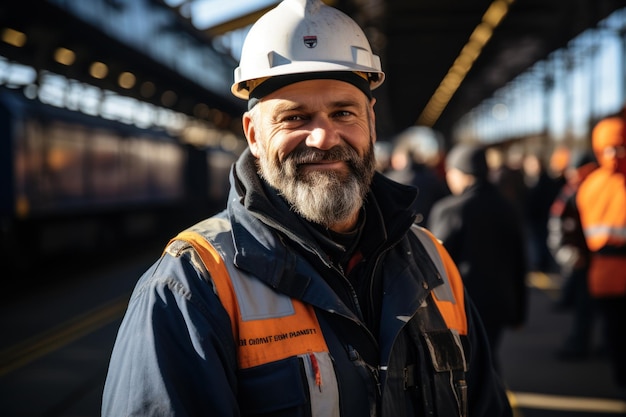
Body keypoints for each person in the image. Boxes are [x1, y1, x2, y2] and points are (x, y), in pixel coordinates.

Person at [102, 1, 513, 415]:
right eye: (295, 117)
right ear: (254, 136)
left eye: (343, 112)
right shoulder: (191, 288)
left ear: (371, 122)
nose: (323, 137)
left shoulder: (433, 263)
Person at [427, 144, 528, 372]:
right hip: (499, 304)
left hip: (462, 305)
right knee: (488, 358)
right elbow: (519, 262)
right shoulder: (508, 207)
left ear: (461, 173)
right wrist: (520, 311)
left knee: (467, 367)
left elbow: (433, 264)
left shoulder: (449, 210)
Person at [575, 115, 626, 395]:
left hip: (602, 274)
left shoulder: (590, 185)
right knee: (616, 333)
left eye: (620, 147)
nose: (615, 154)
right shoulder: (595, 185)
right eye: (611, 148)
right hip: (606, 273)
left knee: (615, 332)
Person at [547, 151, 599, 360]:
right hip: (587, 258)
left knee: (591, 305)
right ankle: (581, 343)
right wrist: (568, 254)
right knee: (586, 303)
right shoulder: (577, 190)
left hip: (593, 258)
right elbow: (559, 224)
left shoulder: (581, 188)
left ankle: (583, 343)